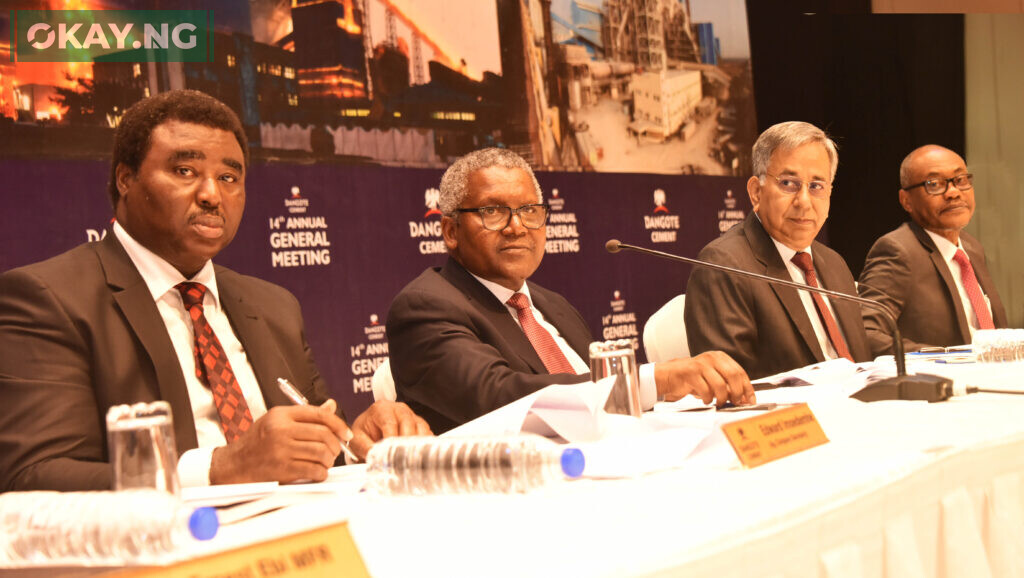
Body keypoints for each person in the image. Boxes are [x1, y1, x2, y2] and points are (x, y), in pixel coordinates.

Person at [0, 90, 429, 492]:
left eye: (228, 177)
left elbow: (310, 439)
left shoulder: (273, 305)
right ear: (126, 179)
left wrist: (356, 443)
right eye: (185, 171)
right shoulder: (47, 298)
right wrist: (223, 467)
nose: (211, 195)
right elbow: (34, 475)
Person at [386, 148, 754, 434]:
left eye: (530, 210)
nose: (517, 227)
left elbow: (601, 404)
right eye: (494, 212)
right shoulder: (426, 307)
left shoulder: (553, 306)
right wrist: (655, 380)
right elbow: (501, 398)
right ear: (450, 231)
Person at [684, 121, 871, 380]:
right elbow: (734, 386)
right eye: (788, 183)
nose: (804, 201)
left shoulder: (833, 263)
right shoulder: (724, 265)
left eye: (816, 186)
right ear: (756, 192)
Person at [858, 145, 1007, 355]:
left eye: (961, 180)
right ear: (906, 200)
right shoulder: (898, 250)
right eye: (934, 184)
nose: (953, 193)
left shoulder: (971, 248)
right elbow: (867, 334)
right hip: (939, 381)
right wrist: (948, 358)